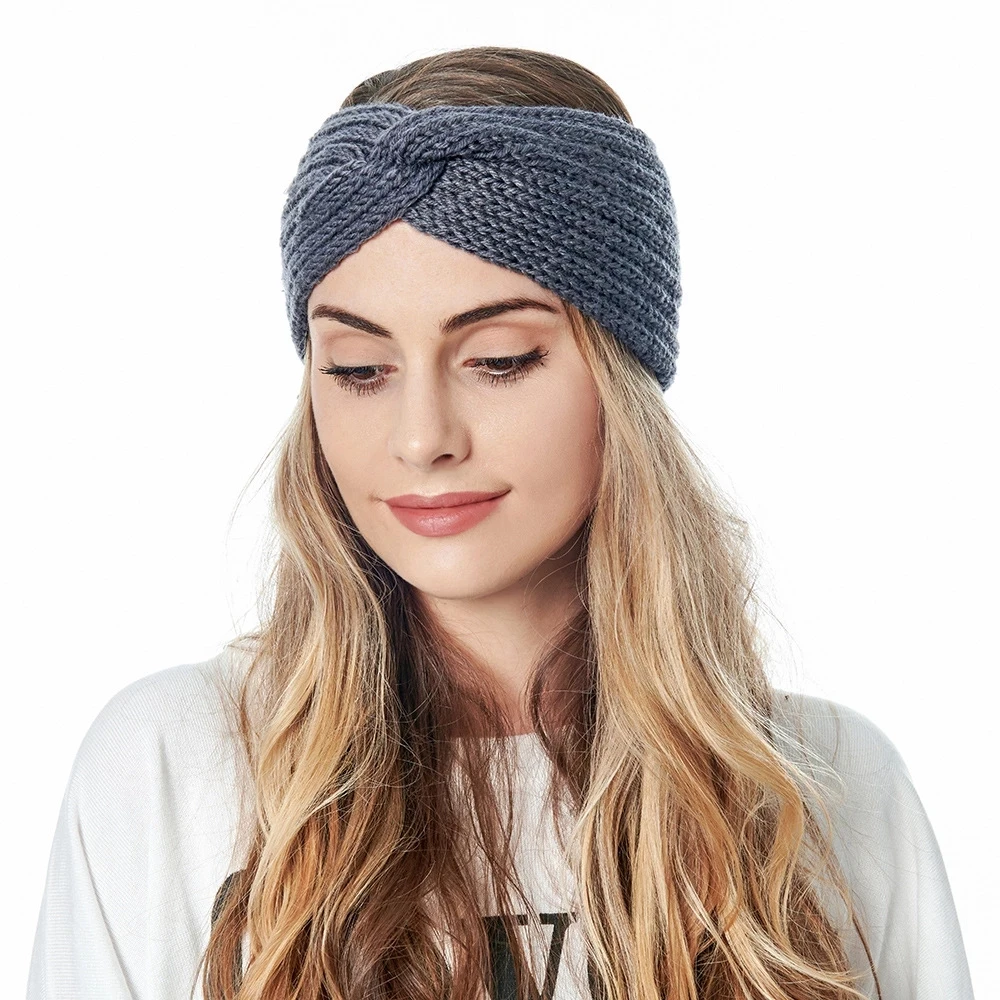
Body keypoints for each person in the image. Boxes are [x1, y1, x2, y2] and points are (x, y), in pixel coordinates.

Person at [26, 45, 975, 1000]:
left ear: (619, 377)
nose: (421, 439)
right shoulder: (170, 765)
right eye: (359, 370)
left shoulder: (833, 789)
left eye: (500, 360)